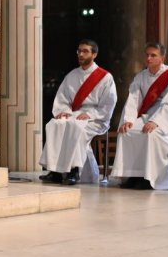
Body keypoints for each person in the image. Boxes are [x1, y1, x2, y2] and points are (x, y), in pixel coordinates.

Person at [39, 39, 116, 185]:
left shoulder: (105, 78)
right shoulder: (72, 75)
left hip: (96, 119)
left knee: (76, 128)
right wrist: (63, 111)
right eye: (79, 51)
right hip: (74, 114)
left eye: (85, 51)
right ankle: (55, 171)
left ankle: (74, 171)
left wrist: (91, 114)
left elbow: (108, 103)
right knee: (55, 124)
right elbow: (62, 98)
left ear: (94, 54)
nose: (81, 54)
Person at [111, 42, 168, 191]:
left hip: (167, 121)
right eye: (147, 55)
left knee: (150, 134)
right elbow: (133, 98)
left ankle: (149, 178)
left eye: (153, 55)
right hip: (145, 115)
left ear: (162, 58)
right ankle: (132, 175)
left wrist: (156, 122)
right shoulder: (141, 76)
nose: (149, 58)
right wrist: (129, 120)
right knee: (127, 132)